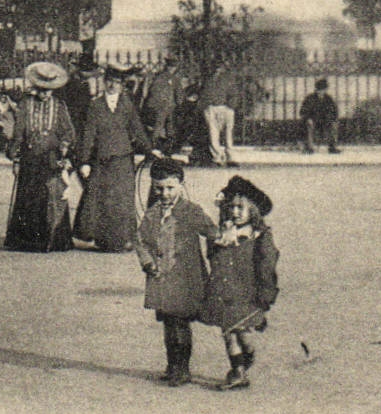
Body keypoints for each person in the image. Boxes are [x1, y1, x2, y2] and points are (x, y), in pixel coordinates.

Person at [135, 156, 216, 387]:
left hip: (185, 278)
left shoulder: (190, 211)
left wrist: (225, 237)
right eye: (159, 188)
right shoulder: (152, 214)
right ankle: (172, 364)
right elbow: (141, 240)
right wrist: (148, 262)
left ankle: (182, 368)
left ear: (181, 184)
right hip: (161, 278)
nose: (165, 194)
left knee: (180, 323)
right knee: (169, 324)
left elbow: (211, 231)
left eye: (170, 187)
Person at [202, 175, 279, 391]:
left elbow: (267, 264)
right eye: (231, 207)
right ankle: (237, 371)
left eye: (240, 207)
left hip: (247, 291)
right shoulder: (221, 233)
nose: (234, 212)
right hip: (224, 290)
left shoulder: (259, 236)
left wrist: (266, 292)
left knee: (243, 333)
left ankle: (248, 354)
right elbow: (212, 258)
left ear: (252, 210)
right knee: (228, 333)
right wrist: (219, 240)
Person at [75, 66, 153, 252]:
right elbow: (88, 134)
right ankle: (102, 238)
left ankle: (122, 239)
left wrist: (151, 150)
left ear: (122, 85)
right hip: (102, 159)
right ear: (104, 82)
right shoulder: (95, 105)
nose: (112, 85)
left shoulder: (127, 104)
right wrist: (85, 161)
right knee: (101, 199)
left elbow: (137, 129)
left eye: (117, 82)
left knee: (123, 200)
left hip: (123, 159)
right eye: (109, 81)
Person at [4, 61, 77, 252]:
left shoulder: (60, 106)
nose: (45, 94)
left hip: (51, 159)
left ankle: (53, 239)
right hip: (31, 159)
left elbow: (69, 132)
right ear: (36, 88)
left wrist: (64, 147)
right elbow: (18, 133)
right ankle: (27, 240)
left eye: (49, 90)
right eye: (42, 89)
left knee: (52, 197)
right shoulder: (26, 106)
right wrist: (15, 156)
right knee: (30, 198)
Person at [141, 56, 185, 148]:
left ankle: (156, 144)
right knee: (167, 126)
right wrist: (180, 105)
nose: (172, 69)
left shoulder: (157, 76)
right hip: (166, 106)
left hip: (155, 106)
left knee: (160, 126)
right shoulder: (173, 79)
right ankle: (162, 145)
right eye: (172, 67)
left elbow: (146, 93)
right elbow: (179, 95)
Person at [198, 65, 237, 167]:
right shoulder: (228, 78)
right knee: (223, 133)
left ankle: (220, 157)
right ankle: (226, 157)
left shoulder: (210, 79)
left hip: (218, 107)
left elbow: (204, 94)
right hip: (221, 107)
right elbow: (234, 93)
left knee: (216, 133)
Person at [299, 78, 340, 154]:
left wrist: (333, 119)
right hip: (313, 121)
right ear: (316, 89)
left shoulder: (328, 99)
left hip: (325, 121)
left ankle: (332, 147)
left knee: (334, 125)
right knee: (309, 125)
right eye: (319, 90)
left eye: (323, 89)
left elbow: (334, 111)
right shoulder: (310, 98)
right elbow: (303, 111)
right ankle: (309, 147)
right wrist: (308, 118)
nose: (321, 91)